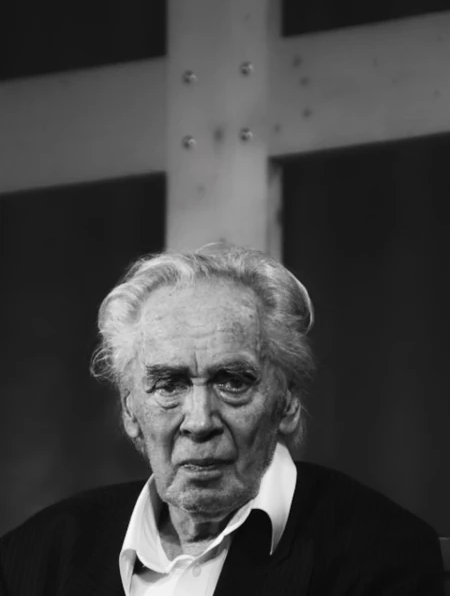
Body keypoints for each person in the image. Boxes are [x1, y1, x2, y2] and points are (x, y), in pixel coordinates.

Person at [0, 243, 445, 595]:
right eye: (169, 384)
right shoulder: (38, 554)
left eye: (232, 381)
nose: (199, 422)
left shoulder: (382, 553)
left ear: (287, 402)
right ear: (130, 410)